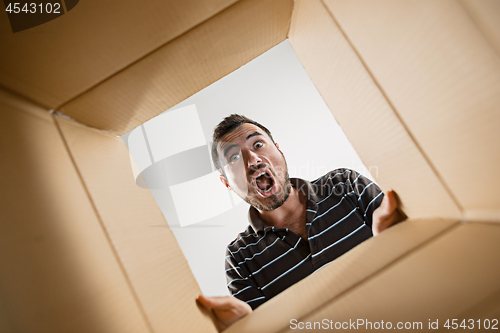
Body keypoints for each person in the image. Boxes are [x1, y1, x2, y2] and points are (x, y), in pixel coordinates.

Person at [197, 114, 405, 331]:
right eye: (234, 158)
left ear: (279, 150)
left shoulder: (345, 184)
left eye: (258, 144)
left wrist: (394, 238)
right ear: (226, 183)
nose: (253, 160)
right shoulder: (240, 259)